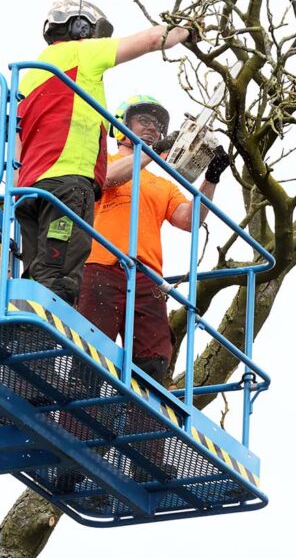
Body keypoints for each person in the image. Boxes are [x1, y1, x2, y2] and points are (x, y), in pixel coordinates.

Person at [15, 0, 193, 305]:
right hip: (68, 185)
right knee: (61, 275)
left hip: (30, 191)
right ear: (80, 28)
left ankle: (25, 326)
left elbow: (17, 140)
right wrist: (187, 31)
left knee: (36, 269)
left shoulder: (30, 75)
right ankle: (47, 332)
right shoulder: (80, 52)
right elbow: (151, 40)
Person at [78, 94, 231, 384]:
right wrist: (150, 152)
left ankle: (137, 423)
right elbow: (106, 179)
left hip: (146, 277)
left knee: (153, 360)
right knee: (90, 352)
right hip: (100, 267)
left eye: (158, 125)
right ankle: (75, 422)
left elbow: (190, 220)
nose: (153, 128)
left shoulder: (162, 184)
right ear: (120, 127)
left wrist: (210, 179)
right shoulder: (101, 162)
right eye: (144, 121)